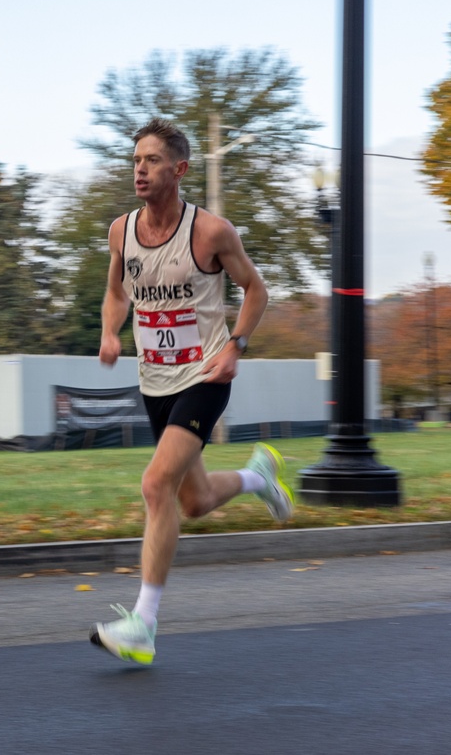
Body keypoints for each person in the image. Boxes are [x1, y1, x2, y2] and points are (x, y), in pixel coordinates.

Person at [90, 117, 294, 665]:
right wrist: (111, 330)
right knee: (193, 501)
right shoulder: (121, 232)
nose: (140, 168)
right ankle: (259, 476)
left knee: (156, 486)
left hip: (205, 376)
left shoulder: (210, 233)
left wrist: (237, 347)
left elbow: (256, 290)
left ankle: (143, 625)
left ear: (179, 170)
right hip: (154, 381)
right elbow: (116, 293)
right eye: (136, 159)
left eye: (152, 160)